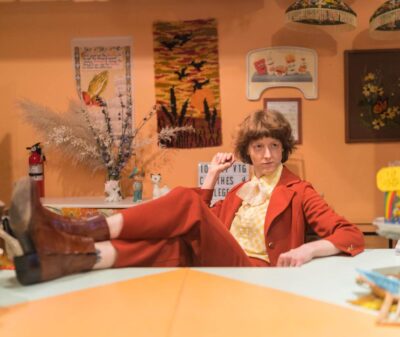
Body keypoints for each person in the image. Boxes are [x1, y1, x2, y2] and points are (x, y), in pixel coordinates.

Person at [5, 110, 364, 285]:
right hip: (222, 267)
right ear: (247, 152)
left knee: (186, 202)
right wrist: (210, 178)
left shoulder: (299, 191)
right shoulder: (239, 192)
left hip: (260, 276)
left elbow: (351, 234)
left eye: (275, 146)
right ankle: (56, 261)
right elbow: (199, 222)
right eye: (259, 146)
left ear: (284, 150)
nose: (268, 154)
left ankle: (71, 229)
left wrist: (307, 249)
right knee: (172, 247)